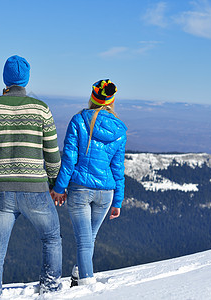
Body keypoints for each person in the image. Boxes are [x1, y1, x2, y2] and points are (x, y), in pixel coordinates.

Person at [0, 55, 62, 299]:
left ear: (5, 79)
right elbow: (52, 153)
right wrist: (55, 185)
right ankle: (50, 290)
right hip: (36, 189)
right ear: (26, 79)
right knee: (51, 238)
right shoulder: (41, 108)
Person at [51, 79, 127, 287]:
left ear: (93, 98)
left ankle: (86, 285)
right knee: (89, 239)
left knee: (84, 240)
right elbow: (118, 169)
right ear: (111, 101)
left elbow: (69, 158)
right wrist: (118, 201)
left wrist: (59, 188)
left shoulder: (78, 121)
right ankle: (78, 274)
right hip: (106, 192)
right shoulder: (120, 130)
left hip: (80, 189)